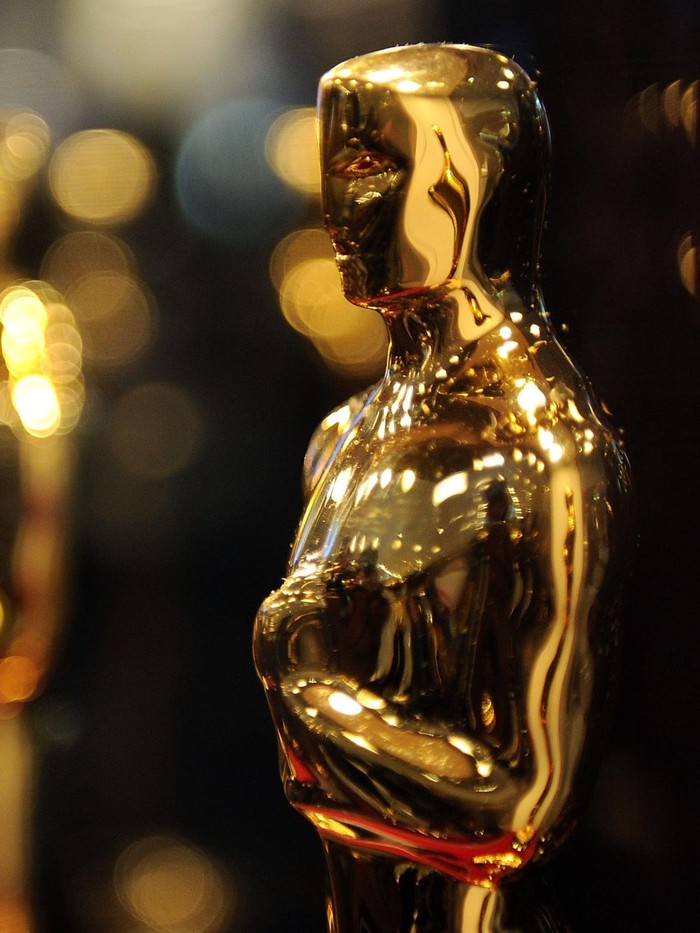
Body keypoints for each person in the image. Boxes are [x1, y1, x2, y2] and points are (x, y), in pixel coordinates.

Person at [254, 44, 633, 932]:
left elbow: (523, 805)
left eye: (366, 167)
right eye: (333, 170)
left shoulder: (544, 454)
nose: (336, 211)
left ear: (467, 181)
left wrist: (313, 697)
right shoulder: (345, 437)